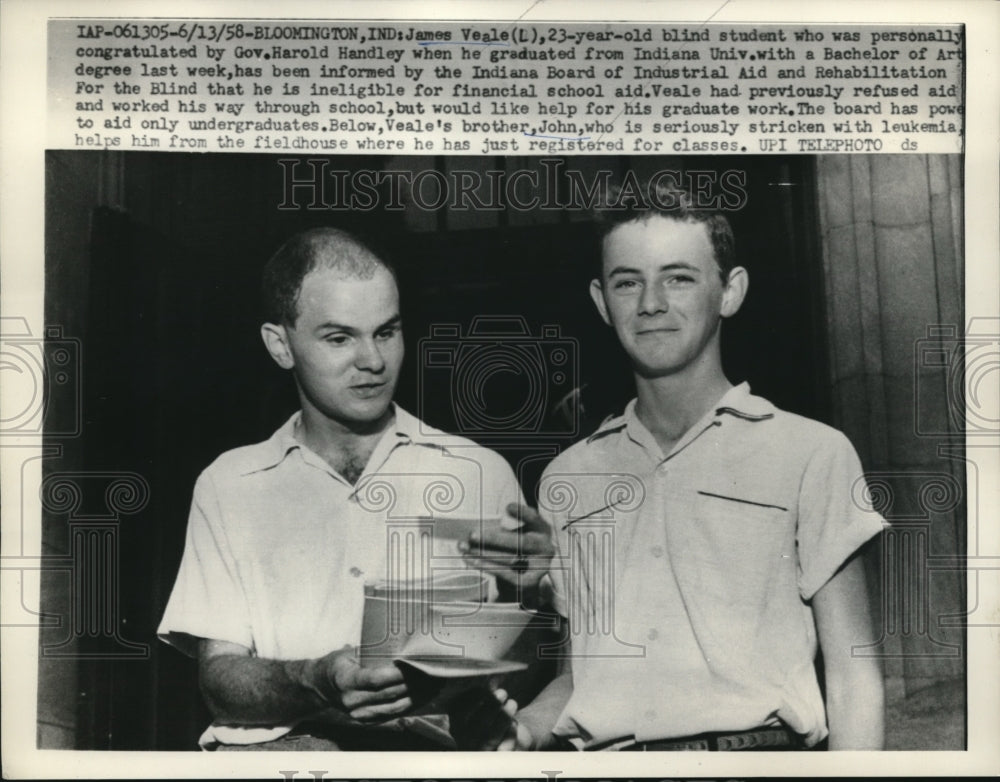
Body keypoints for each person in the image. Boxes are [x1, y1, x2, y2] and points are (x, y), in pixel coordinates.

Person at [487, 178, 886, 751]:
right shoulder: (567, 479)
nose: (651, 303)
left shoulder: (811, 453)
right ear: (602, 302)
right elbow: (582, 677)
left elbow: (854, 679)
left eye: (678, 277)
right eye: (629, 282)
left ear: (730, 291)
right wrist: (521, 729)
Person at [157, 227, 532, 750]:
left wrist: (489, 697)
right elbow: (219, 679)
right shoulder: (230, 484)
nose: (373, 361)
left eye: (386, 332)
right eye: (339, 338)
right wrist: (318, 677)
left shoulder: (479, 472)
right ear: (280, 345)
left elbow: (531, 654)